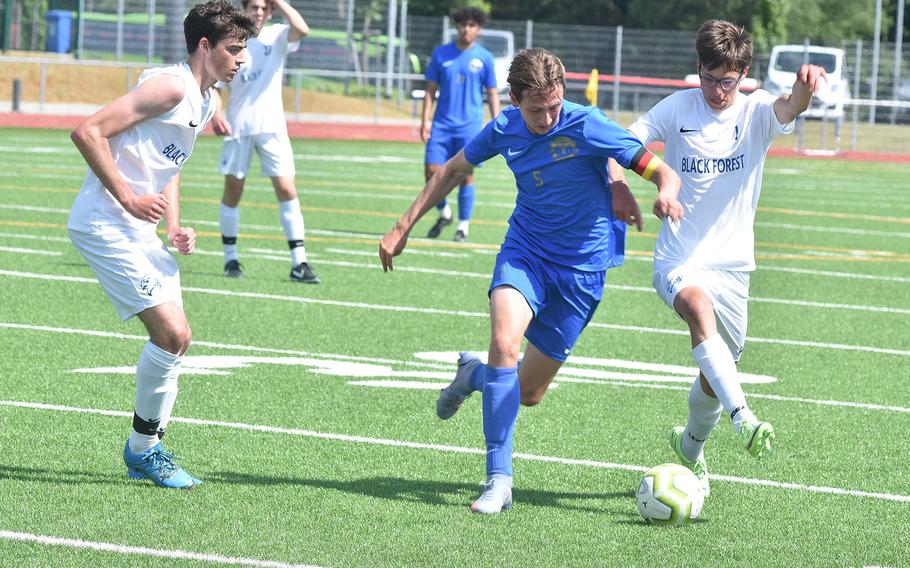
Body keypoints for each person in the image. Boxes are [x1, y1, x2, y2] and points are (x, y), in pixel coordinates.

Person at [380, 48, 683, 514]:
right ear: (515, 100)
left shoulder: (585, 122)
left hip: (582, 271)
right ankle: (499, 479)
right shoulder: (504, 128)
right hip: (525, 254)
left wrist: (660, 191)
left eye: (554, 105)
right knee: (504, 343)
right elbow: (454, 169)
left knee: (528, 392)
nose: (546, 117)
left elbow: (657, 167)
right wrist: (403, 225)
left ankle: (471, 377)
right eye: (535, 108)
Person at [622, 19, 828, 496]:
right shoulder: (678, 107)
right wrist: (637, 184)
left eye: (727, 81)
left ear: (743, 73)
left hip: (734, 267)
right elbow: (627, 142)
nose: (717, 90)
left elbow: (790, 106)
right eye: (710, 78)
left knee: (716, 371)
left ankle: (689, 448)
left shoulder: (755, 110)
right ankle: (745, 418)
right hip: (679, 258)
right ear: (699, 69)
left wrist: (805, 89)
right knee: (697, 308)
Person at [67, 0, 257, 489]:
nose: (240, 60)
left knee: (180, 338)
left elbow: (166, 165)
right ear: (204, 46)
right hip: (104, 223)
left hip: (138, 229)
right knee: (171, 334)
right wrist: (129, 197)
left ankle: (144, 448)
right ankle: (145, 450)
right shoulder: (173, 85)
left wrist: (175, 225)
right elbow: (87, 131)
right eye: (234, 49)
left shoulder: (205, 98)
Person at [211, 0, 319, 283]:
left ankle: (300, 263)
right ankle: (230, 259)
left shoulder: (278, 35)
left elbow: (303, 29)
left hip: (273, 128)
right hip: (239, 128)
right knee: (233, 191)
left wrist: (280, 2)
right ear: (244, 9)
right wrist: (217, 114)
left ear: (270, 12)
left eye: (264, 8)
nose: (258, 12)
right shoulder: (233, 41)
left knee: (287, 189)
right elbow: (215, 86)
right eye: (254, 7)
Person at [420, 7, 501, 243]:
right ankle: (445, 213)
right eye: (463, 24)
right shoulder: (441, 53)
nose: (467, 29)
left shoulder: (484, 57)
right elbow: (430, 91)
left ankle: (463, 227)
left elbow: (492, 92)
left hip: (470, 127)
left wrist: (496, 121)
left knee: (465, 175)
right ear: (457, 27)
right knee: (431, 172)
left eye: (472, 25)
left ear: (478, 28)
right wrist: (425, 120)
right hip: (442, 125)